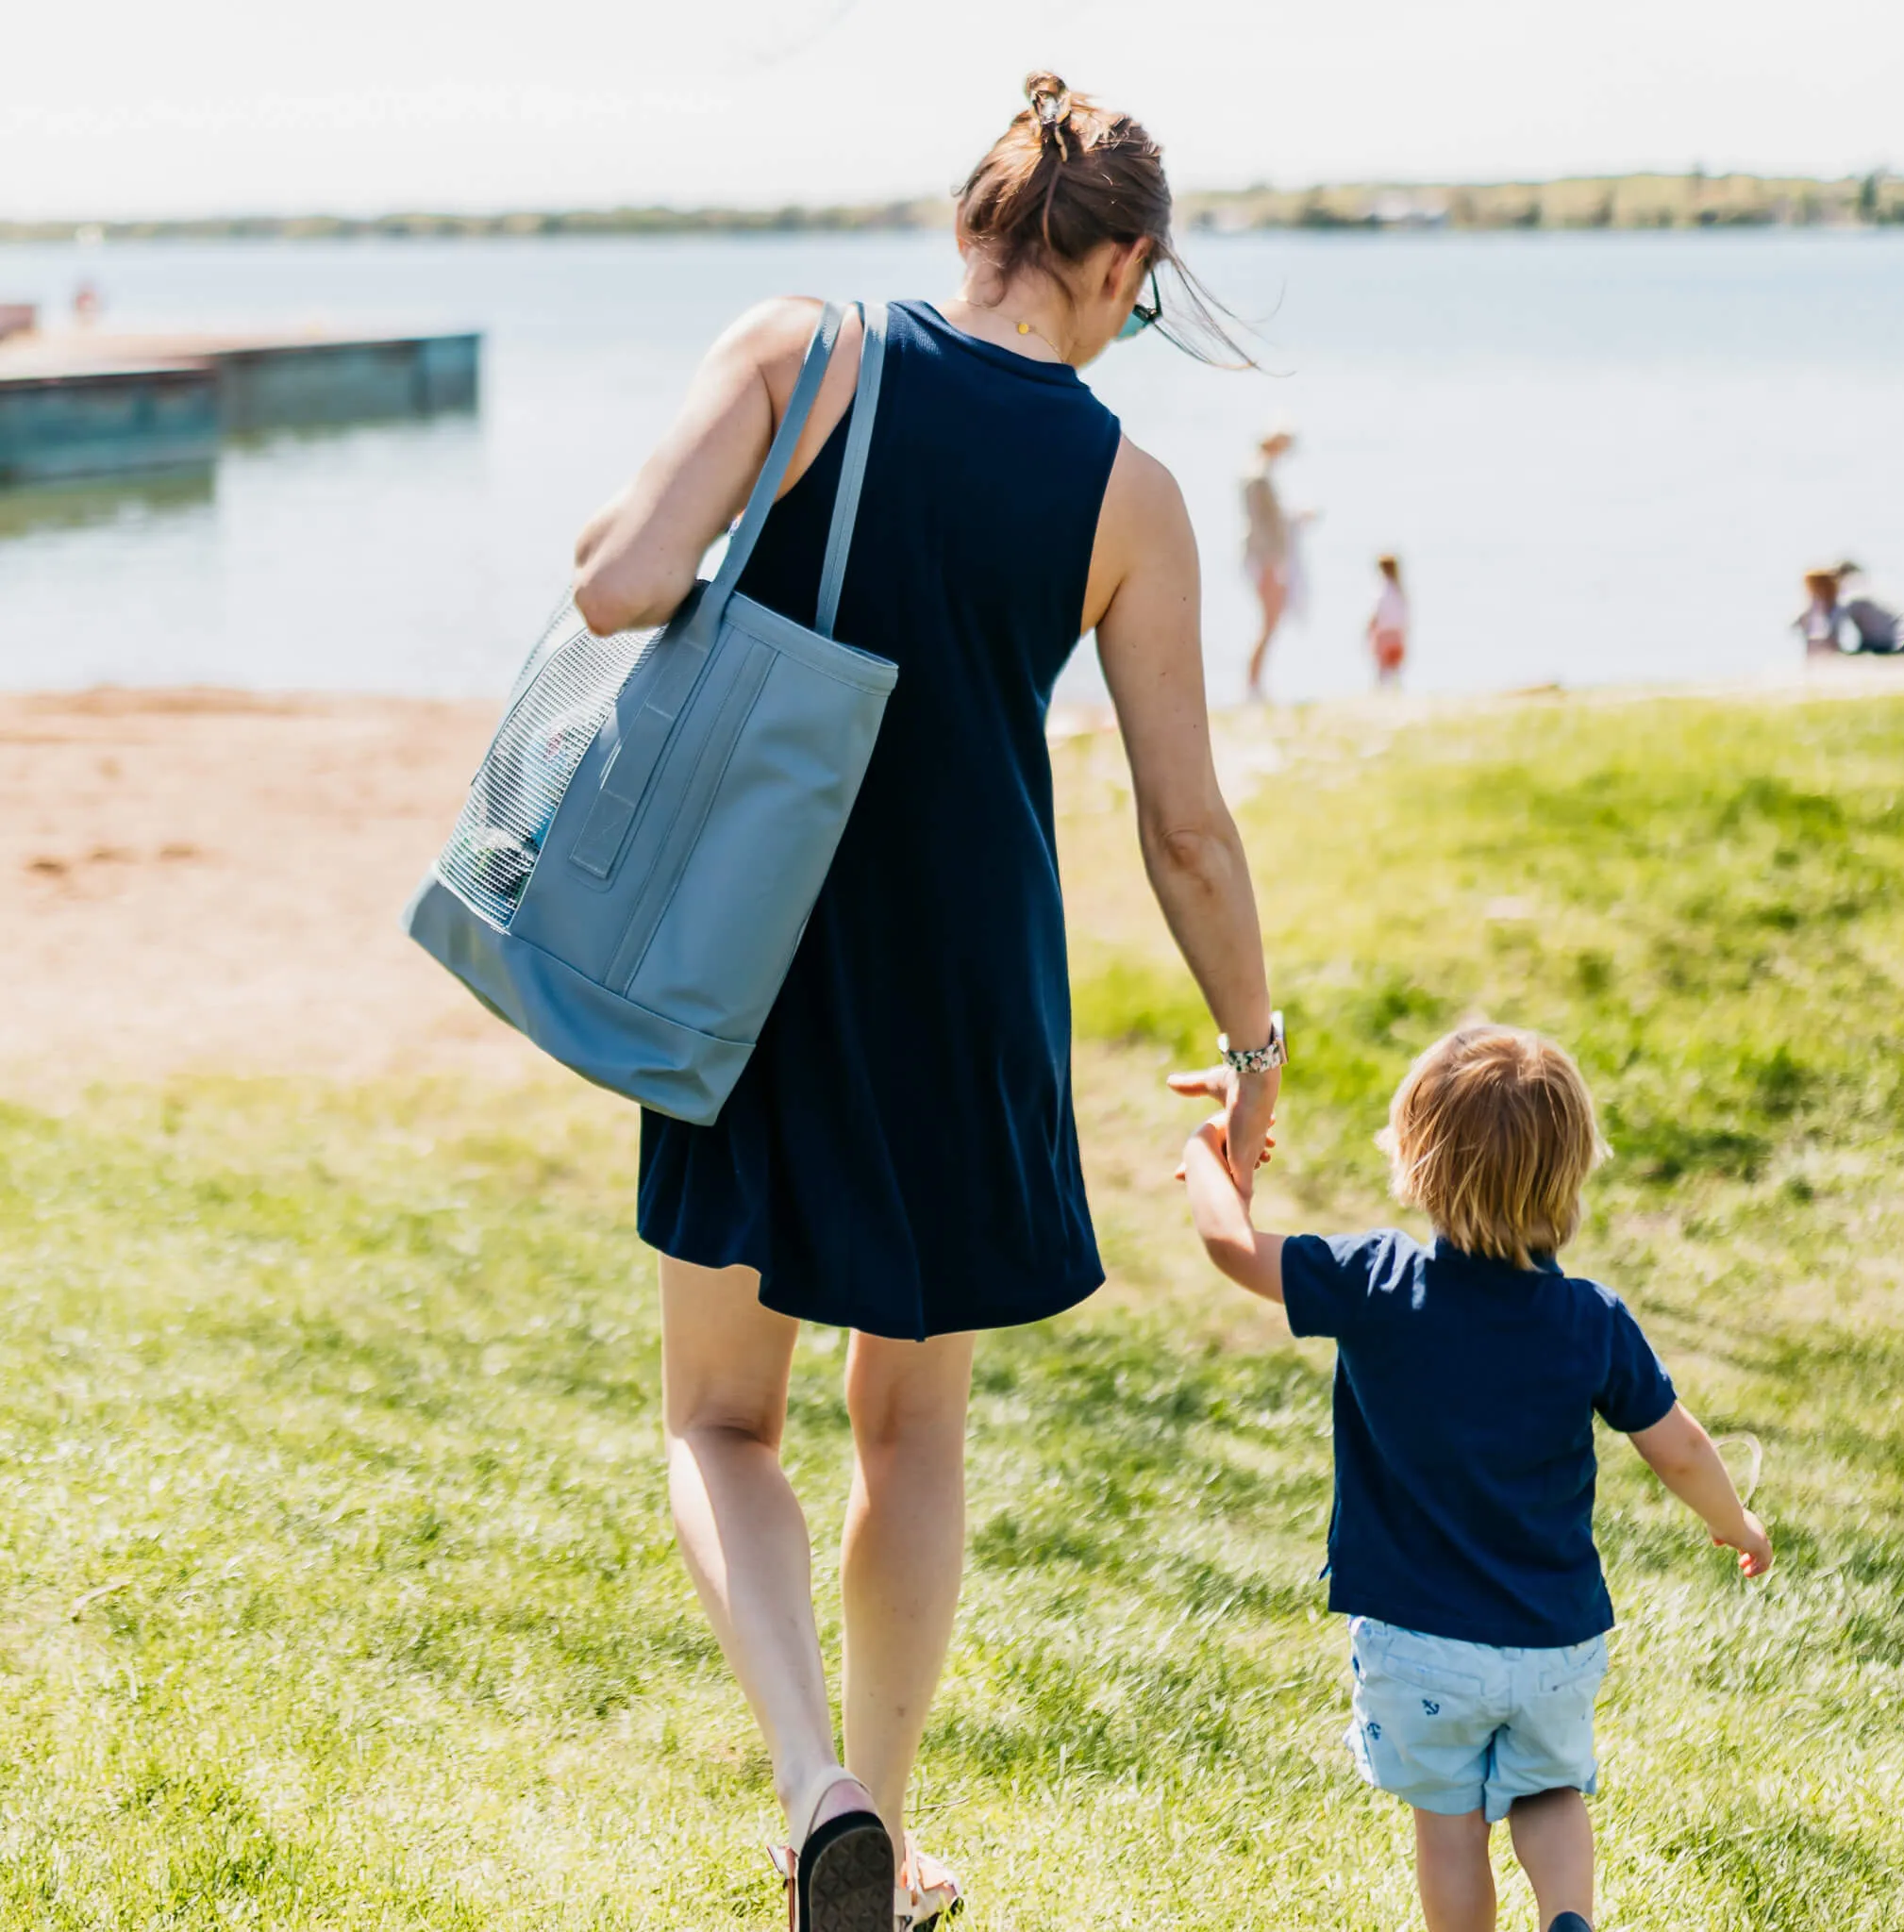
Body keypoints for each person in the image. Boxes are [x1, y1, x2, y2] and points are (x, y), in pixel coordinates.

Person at [571, 71, 1279, 1932]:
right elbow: (1184, 825)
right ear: (1120, 262)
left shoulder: (800, 348)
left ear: (970, 224)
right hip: (962, 976)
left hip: (751, 946)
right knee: (915, 1430)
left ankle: (814, 1797)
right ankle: (880, 1812)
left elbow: (620, 580)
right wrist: (1252, 1046)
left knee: (722, 1419)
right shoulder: (1126, 487)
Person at [1173, 1024, 1772, 1932]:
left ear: (1416, 1161)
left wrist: (1209, 1148)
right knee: (1549, 1791)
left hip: (1421, 1644)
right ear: (1571, 1172)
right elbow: (1678, 1446)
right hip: (1554, 1641)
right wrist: (1736, 1523)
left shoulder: (1375, 1282)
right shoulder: (1590, 1319)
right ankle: (1566, 1916)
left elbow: (1228, 1242)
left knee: (1448, 1826)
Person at [1243, 426, 1314, 700]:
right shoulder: (1259, 475)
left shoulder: (1257, 472)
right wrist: (1271, 564)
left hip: (1264, 556)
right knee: (1269, 622)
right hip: (1265, 558)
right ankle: (1253, 685)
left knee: (1270, 621)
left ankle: (1256, 684)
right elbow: (1265, 523)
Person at [1366, 552, 1409, 688]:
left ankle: (1381, 695)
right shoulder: (1400, 590)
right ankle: (1395, 695)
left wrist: (1369, 628)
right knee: (1395, 670)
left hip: (1384, 633)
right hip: (1397, 634)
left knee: (1382, 670)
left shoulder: (1382, 589)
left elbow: (1377, 612)